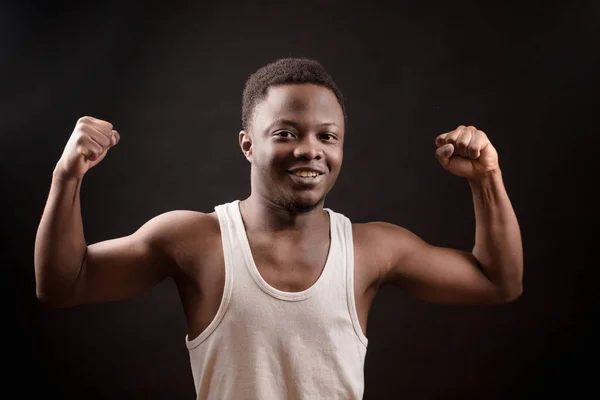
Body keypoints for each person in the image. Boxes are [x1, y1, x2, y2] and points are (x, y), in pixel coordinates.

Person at [34, 58, 523, 399]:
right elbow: (63, 284)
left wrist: (487, 178)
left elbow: (496, 282)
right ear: (248, 145)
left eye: (327, 136)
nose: (310, 149)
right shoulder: (195, 240)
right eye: (286, 133)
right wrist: (66, 177)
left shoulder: (375, 249)